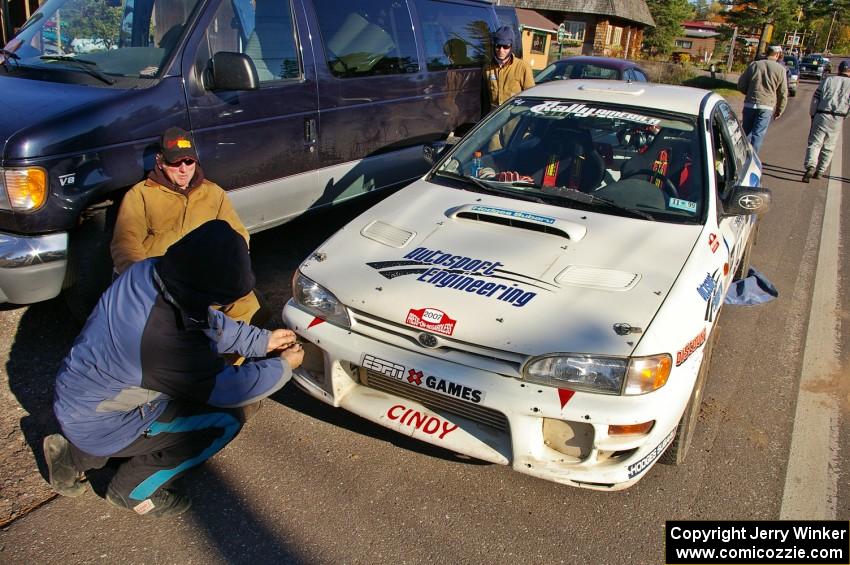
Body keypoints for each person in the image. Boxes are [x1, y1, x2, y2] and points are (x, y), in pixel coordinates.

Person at [44, 220, 305, 518]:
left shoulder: (152, 271)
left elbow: (202, 320)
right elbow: (226, 389)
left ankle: (70, 457)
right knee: (225, 421)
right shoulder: (161, 341)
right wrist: (283, 366)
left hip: (80, 398)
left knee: (125, 404)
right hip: (105, 420)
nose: (220, 304)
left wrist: (261, 341)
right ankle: (133, 490)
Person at [111, 127, 263, 325]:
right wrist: (146, 282)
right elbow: (125, 245)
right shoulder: (140, 195)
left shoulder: (213, 193)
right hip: (162, 281)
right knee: (164, 328)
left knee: (251, 306)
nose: (184, 169)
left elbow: (238, 234)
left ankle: (224, 355)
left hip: (204, 277)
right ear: (160, 161)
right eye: (175, 162)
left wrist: (232, 269)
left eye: (189, 161)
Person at [801, 59, 850, 182]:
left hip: (822, 114)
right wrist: (845, 115)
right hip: (838, 117)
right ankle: (820, 170)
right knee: (829, 146)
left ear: (839, 69)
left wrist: (813, 114)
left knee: (815, 142)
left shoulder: (828, 80)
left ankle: (810, 165)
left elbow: (816, 98)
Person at [737, 45, 788, 154]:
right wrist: (780, 110)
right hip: (766, 106)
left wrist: (749, 92)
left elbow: (741, 85)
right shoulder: (780, 70)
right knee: (758, 134)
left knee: (745, 132)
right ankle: (752, 158)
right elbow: (783, 93)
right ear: (777, 54)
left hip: (750, 103)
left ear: (767, 52)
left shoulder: (755, 65)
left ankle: (739, 155)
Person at [483, 25, 534, 113]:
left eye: (505, 46)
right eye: (498, 46)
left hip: (515, 117)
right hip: (494, 117)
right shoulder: (487, 68)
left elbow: (531, 98)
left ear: (511, 46)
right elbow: (484, 98)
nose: (501, 50)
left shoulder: (523, 67)